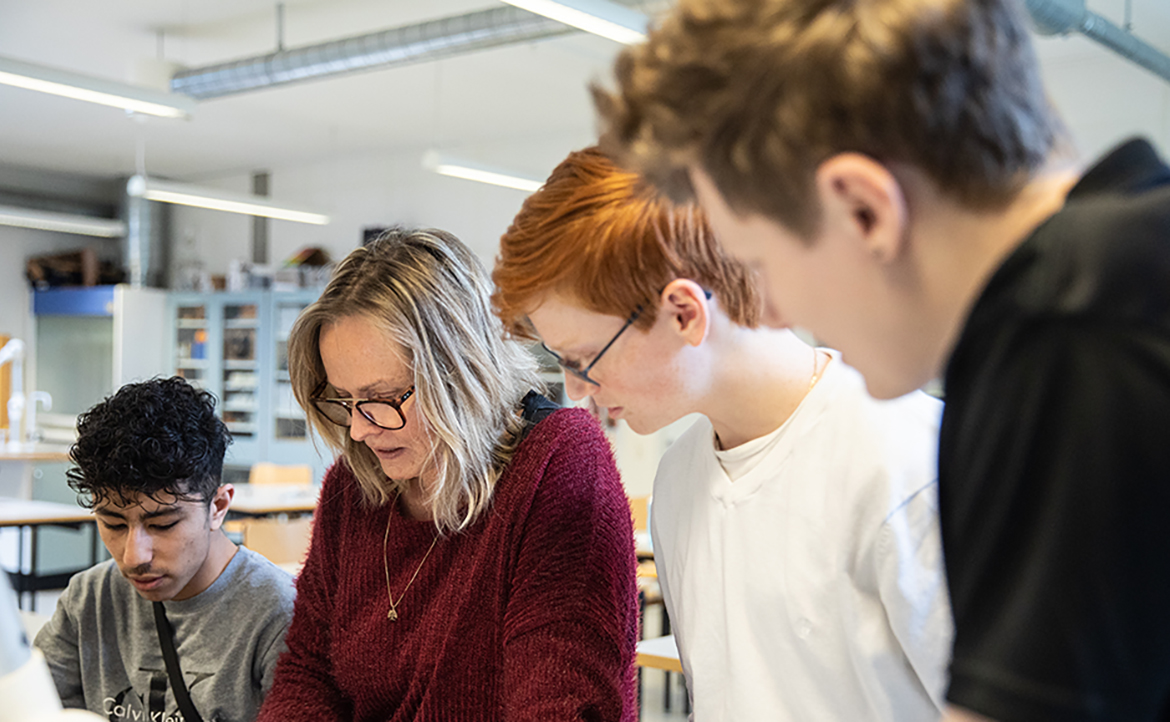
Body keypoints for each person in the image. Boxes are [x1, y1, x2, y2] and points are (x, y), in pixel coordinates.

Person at [592, 1, 1170, 721]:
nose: (771, 314)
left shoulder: (1068, 335)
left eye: (762, 260)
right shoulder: (1124, 271)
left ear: (864, 210)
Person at [492, 147, 952, 720]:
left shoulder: (907, 465)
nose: (578, 388)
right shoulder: (682, 481)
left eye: (586, 358)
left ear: (684, 312)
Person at [256, 227, 638, 721]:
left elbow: (561, 706)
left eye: (381, 398)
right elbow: (309, 674)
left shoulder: (556, 463)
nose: (358, 430)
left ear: (463, 374)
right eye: (345, 401)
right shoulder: (353, 490)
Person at [34, 376, 296, 721]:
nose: (133, 557)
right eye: (113, 524)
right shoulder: (90, 599)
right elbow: (30, 706)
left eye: (162, 525)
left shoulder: (278, 615)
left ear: (218, 507)